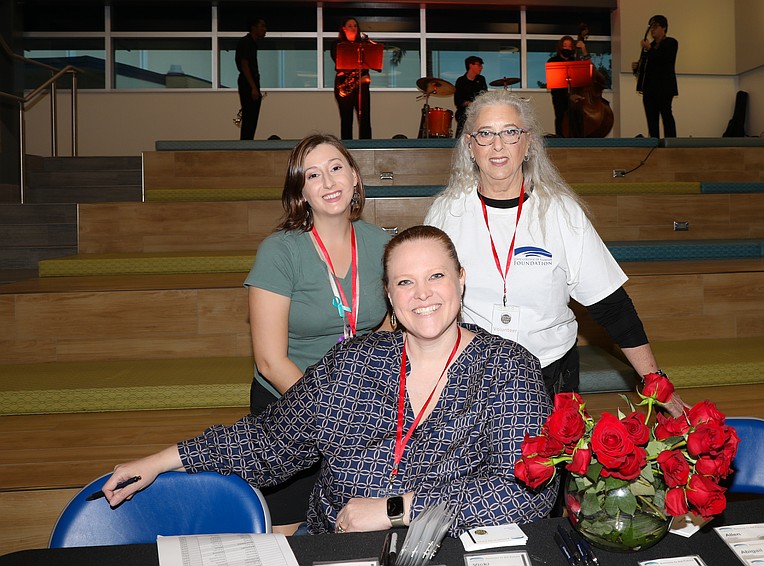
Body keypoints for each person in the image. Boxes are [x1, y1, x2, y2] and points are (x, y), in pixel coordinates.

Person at [102, 225, 558, 536]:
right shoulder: (352, 362)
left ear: (460, 279)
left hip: (442, 549)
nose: (422, 294)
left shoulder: (508, 368)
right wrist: (160, 461)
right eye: (404, 282)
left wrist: (394, 510)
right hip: (334, 547)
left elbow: (524, 488)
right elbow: (269, 441)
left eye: (436, 276)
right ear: (388, 295)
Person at [424, 90, 688, 416]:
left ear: (528, 143)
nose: (497, 145)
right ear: (469, 145)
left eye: (510, 132)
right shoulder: (446, 213)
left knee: (551, 467)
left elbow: (613, 308)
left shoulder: (562, 213)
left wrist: (655, 381)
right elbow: (426, 302)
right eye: (485, 134)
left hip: (551, 374)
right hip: (472, 373)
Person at [244, 133, 392, 532]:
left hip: (361, 407)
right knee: (286, 530)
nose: (328, 182)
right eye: (313, 175)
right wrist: (331, 413)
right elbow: (270, 361)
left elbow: (385, 327)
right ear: (301, 193)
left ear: (355, 178)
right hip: (290, 405)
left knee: (358, 524)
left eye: (336, 168)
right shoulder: (280, 251)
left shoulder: (382, 244)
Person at [631, 15, 678, 138]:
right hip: (649, 89)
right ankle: (654, 144)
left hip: (664, 88)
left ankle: (671, 143)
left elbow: (663, 60)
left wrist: (649, 49)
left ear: (664, 28)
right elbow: (645, 68)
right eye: (651, 27)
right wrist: (636, 68)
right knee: (652, 120)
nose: (652, 30)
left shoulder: (671, 43)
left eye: (655, 27)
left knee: (666, 116)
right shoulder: (649, 46)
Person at [332, 17, 374, 140]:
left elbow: (371, 61)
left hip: (362, 84)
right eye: (350, 26)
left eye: (355, 25)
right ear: (344, 29)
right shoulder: (337, 45)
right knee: (346, 118)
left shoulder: (363, 44)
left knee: (365, 118)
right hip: (344, 83)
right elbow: (338, 62)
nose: (353, 28)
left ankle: (367, 146)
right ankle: (347, 146)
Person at [546, 35, 587, 137]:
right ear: (560, 47)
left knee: (578, 117)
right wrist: (569, 96)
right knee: (561, 117)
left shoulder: (575, 61)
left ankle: (579, 142)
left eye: (570, 46)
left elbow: (589, 69)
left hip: (575, 95)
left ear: (573, 48)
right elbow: (555, 84)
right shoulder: (553, 61)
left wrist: (584, 50)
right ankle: (561, 141)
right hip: (559, 96)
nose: (567, 48)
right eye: (565, 46)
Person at [235, 17, 267, 141]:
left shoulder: (252, 43)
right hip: (248, 82)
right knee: (249, 116)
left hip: (251, 82)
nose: (265, 29)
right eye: (262, 26)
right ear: (254, 27)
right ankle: (246, 144)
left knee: (252, 116)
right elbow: (244, 65)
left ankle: (248, 142)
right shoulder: (246, 42)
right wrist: (253, 87)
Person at [453, 56, 487, 138]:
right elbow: (457, 100)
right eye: (479, 65)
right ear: (471, 65)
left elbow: (484, 95)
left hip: (478, 110)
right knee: (464, 116)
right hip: (464, 112)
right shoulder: (461, 81)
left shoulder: (481, 79)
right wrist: (469, 103)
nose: (481, 68)